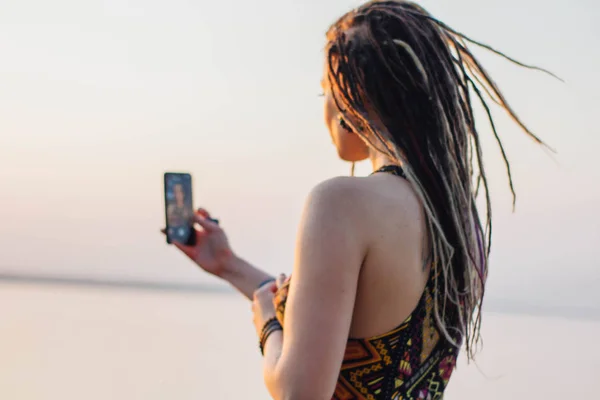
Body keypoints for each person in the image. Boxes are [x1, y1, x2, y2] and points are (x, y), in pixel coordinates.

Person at [164, 1, 555, 398]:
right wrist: (230, 266)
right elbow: (337, 316)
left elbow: (298, 392)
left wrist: (267, 322)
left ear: (349, 96)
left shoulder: (341, 203)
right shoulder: (457, 221)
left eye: (325, 92)